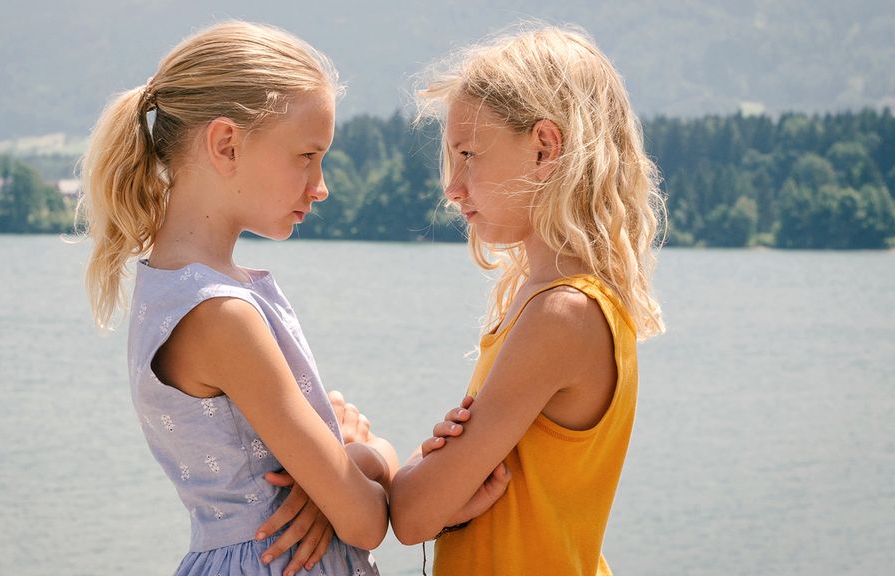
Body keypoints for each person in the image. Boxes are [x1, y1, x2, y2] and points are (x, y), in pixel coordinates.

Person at [78, 21, 398, 576]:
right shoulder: (221, 315)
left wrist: (333, 475)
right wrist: (367, 452)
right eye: (307, 155)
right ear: (227, 144)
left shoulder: (178, 291)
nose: (321, 184)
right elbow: (365, 522)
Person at [388, 24, 666, 575]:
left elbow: (413, 516)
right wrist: (442, 485)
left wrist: (407, 468)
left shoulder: (562, 314)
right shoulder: (547, 301)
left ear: (544, 148)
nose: (453, 185)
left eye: (468, 154)